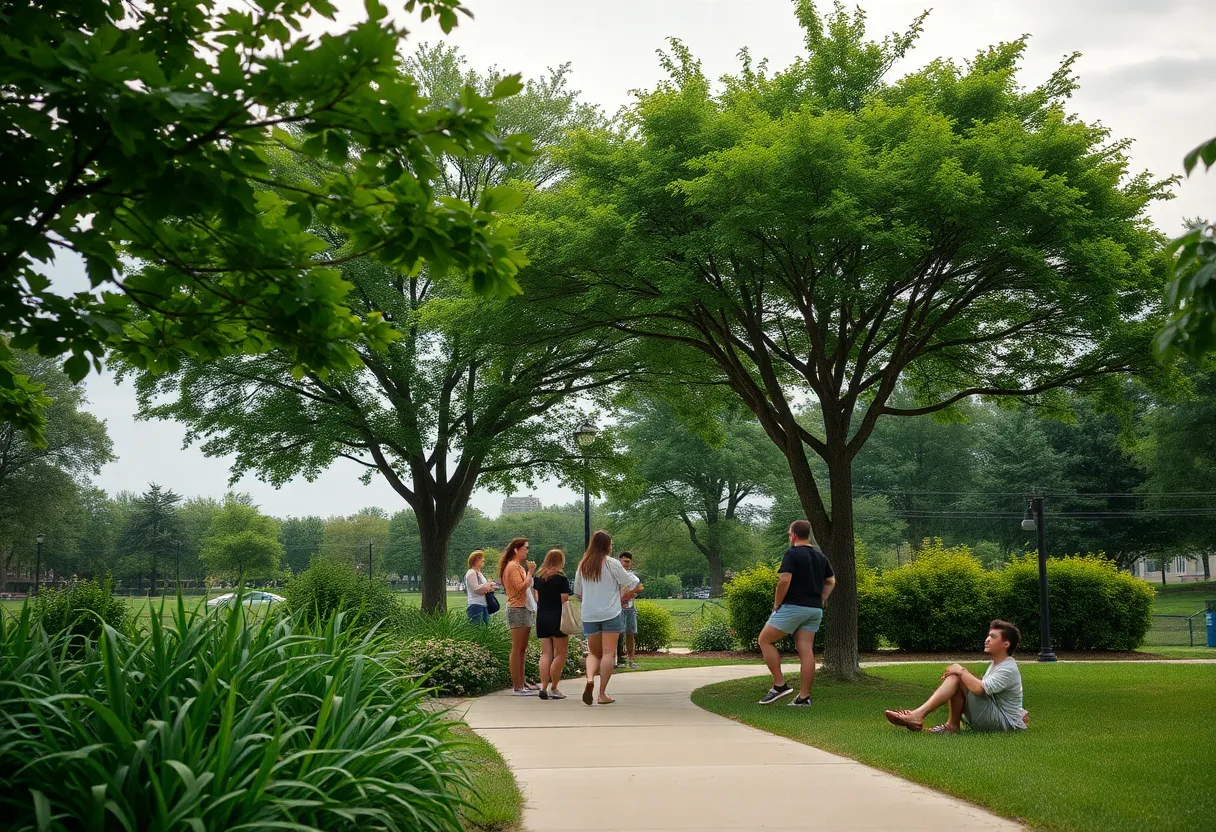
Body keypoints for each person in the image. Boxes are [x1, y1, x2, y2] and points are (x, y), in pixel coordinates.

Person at [884, 620, 1029, 733]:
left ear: (1006, 644)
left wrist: (961, 670)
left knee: (960, 677)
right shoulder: (998, 665)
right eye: (988, 635)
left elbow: (981, 690)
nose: (987, 639)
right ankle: (945, 724)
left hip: (1004, 724)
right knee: (959, 677)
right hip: (999, 718)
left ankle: (921, 717)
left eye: (992, 637)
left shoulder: (1008, 668)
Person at [757, 520, 835, 706]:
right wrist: (821, 599)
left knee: (764, 640)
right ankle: (803, 697)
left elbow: (784, 580)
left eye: (788, 533)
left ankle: (779, 685)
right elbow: (831, 581)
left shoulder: (791, 554)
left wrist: (777, 604)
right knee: (806, 650)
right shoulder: (820, 557)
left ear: (793, 535)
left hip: (792, 607)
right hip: (814, 610)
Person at [574, 530, 638, 706]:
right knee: (609, 653)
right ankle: (602, 694)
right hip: (611, 613)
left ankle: (589, 679)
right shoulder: (612, 564)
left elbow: (577, 592)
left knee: (594, 653)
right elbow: (631, 582)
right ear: (607, 546)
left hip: (589, 614)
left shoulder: (583, 565)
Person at [499, 538, 539, 695]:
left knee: (522, 648)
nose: (527, 551)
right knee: (517, 648)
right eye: (525, 548)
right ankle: (517, 685)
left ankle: (522, 682)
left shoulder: (517, 567)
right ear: (516, 549)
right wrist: (530, 572)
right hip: (517, 608)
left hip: (524, 608)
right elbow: (520, 588)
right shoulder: (513, 567)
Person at [532, 548, 573, 700]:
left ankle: (543, 687)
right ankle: (554, 687)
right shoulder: (561, 578)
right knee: (561, 653)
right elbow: (564, 598)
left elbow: (536, 596)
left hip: (542, 616)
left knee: (546, 653)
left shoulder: (539, 577)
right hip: (557, 617)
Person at [618, 552, 644, 668]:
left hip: (630, 607)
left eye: (628, 561)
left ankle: (631, 659)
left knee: (630, 632)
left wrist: (634, 593)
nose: (625, 564)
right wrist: (634, 591)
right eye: (623, 561)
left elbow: (637, 589)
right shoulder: (617, 576)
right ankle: (617, 658)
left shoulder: (634, 578)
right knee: (618, 634)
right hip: (618, 607)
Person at [464, 551, 497, 625]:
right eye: (481, 559)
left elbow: (483, 588)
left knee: (485, 629)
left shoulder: (479, 573)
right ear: (476, 560)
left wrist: (490, 587)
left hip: (483, 604)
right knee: (476, 630)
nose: (483, 561)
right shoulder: (471, 572)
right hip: (476, 605)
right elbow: (476, 589)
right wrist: (488, 585)